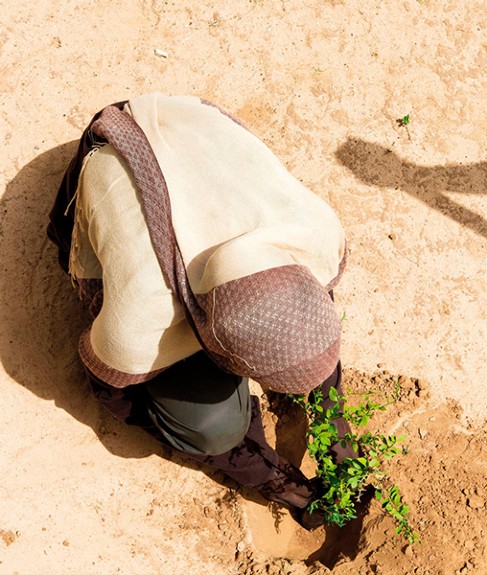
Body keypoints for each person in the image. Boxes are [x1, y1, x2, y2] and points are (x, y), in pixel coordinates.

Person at [47, 93, 355, 529]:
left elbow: (306, 309)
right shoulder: (143, 315)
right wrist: (275, 480)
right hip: (109, 159)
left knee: (296, 328)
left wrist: (332, 418)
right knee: (211, 422)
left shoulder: (311, 230)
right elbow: (113, 392)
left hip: (183, 124)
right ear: (212, 347)